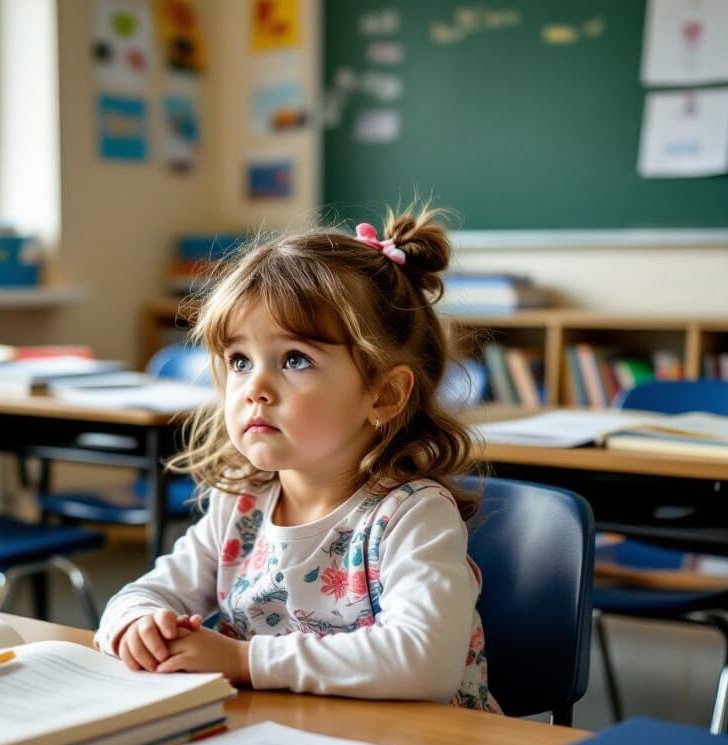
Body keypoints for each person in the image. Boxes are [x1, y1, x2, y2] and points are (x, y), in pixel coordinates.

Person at [93, 208, 500, 711]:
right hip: (293, 740)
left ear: (385, 395)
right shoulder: (241, 506)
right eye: (239, 361)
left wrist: (245, 662)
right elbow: (145, 594)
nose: (254, 389)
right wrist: (136, 624)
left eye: (294, 360)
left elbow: (425, 661)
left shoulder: (411, 516)